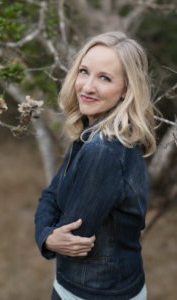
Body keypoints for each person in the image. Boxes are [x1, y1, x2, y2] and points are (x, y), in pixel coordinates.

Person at [34, 31, 157, 300]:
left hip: (93, 293)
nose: (87, 86)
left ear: (126, 89)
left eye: (104, 78)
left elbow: (72, 237)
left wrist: (46, 235)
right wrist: (46, 234)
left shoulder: (102, 149)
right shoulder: (94, 133)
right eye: (84, 71)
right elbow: (51, 193)